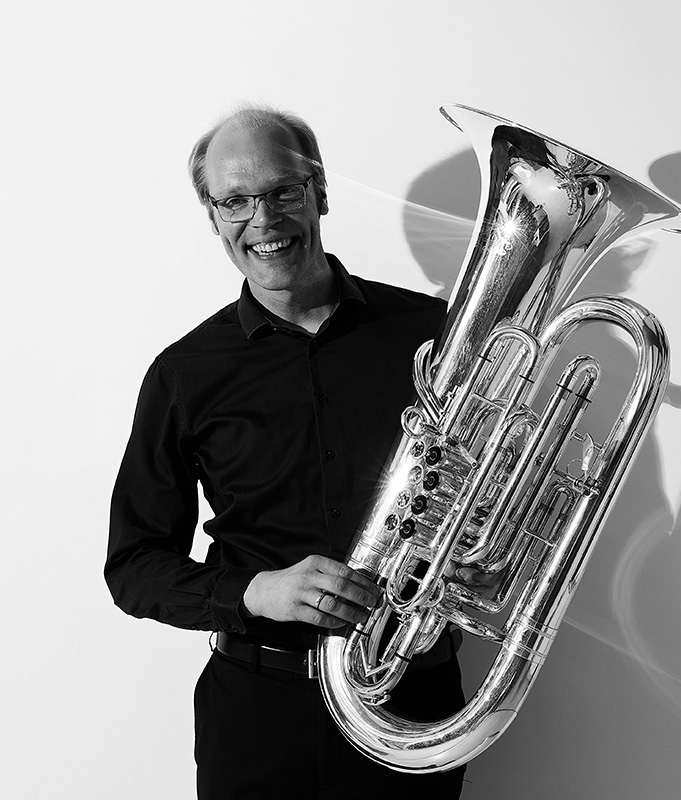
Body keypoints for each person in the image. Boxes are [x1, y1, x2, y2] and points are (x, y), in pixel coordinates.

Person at [105, 105, 473, 798]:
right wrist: (255, 591)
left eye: (282, 191)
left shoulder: (435, 338)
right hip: (259, 715)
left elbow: (493, 495)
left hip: (413, 699)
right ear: (212, 217)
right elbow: (133, 566)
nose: (263, 219)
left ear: (320, 193)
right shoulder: (184, 373)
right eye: (235, 200)